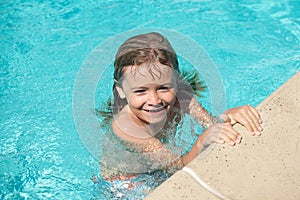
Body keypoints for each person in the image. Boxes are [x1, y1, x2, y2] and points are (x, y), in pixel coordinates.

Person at [97, 32, 263, 198]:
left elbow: (212, 126)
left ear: (176, 81)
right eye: (140, 91)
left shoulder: (182, 98)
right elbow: (176, 167)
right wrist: (200, 143)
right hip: (124, 185)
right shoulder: (126, 126)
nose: (154, 100)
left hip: (158, 168)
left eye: (163, 88)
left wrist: (229, 117)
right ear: (121, 90)